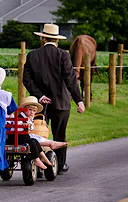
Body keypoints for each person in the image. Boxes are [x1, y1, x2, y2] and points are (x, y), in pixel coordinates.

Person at [23, 24, 85, 175]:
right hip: (61, 102)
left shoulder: (32, 55)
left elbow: (27, 80)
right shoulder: (63, 55)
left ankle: (37, 164)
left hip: (39, 104)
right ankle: (60, 165)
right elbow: (71, 80)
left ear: (43, 38)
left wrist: (40, 96)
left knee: (37, 133)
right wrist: (79, 100)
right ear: (56, 40)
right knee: (59, 134)